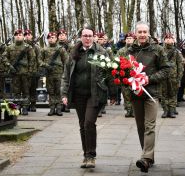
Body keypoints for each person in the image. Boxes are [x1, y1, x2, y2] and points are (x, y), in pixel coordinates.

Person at [61, 25, 114, 169]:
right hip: (78, 95)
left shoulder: (100, 52)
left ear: (94, 37)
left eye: (90, 36)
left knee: (89, 123)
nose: (87, 38)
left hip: (95, 94)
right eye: (85, 35)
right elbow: (66, 75)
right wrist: (64, 93)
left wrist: (113, 93)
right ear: (81, 37)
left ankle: (91, 156)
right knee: (82, 124)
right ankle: (86, 155)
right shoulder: (73, 53)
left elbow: (110, 72)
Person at [127, 21, 170, 173]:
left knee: (150, 126)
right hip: (135, 94)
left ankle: (145, 158)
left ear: (149, 33)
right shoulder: (129, 51)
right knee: (140, 127)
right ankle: (148, 156)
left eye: (145, 32)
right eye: (140, 32)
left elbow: (166, 69)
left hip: (151, 94)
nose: (142, 35)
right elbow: (123, 70)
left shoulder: (157, 49)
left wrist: (148, 79)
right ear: (135, 33)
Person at [5, 29, 33, 115]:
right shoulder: (10, 47)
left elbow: (32, 60)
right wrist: (9, 66)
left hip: (25, 73)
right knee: (15, 91)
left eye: (20, 35)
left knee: (25, 91)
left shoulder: (28, 47)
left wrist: (30, 71)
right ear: (14, 36)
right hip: (14, 73)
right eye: (16, 35)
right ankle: (17, 107)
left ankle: (25, 107)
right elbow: (4, 57)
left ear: (23, 36)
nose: (18, 36)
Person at [42, 32, 68, 116]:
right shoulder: (44, 50)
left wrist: (65, 73)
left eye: (53, 37)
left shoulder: (61, 49)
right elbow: (39, 60)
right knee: (51, 91)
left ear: (56, 38)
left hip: (60, 73)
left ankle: (59, 107)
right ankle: (52, 107)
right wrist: (45, 65)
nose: (51, 39)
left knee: (59, 90)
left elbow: (66, 61)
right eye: (49, 38)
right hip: (49, 74)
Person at [160, 33, 184, 118]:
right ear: (164, 40)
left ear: (173, 40)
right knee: (164, 94)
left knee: (173, 94)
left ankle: (172, 110)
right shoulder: (161, 50)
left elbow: (180, 65)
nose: (169, 40)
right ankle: (165, 111)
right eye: (167, 38)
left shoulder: (176, 52)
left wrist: (179, 77)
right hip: (163, 76)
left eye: (170, 38)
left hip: (173, 76)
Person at [117, 32, 135, 117]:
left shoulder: (136, 50)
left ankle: (134, 110)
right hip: (124, 75)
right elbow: (117, 61)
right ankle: (128, 110)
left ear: (134, 39)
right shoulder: (121, 51)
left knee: (134, 94)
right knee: (126, 94)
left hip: (134, 75)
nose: (129, 40)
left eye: (130, 38)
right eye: (127, 39)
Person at [24, 29, 41, 112]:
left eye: (29, 34)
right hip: (24, 71)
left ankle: (33, 104)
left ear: (31, 36)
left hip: (34, 72)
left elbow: (39, 59)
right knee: (25, 89)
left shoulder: (36, 47)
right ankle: (26, 104)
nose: (27, 36)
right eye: (26, 35)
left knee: (33, 89)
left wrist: (38, 71)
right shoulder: (22, 46)